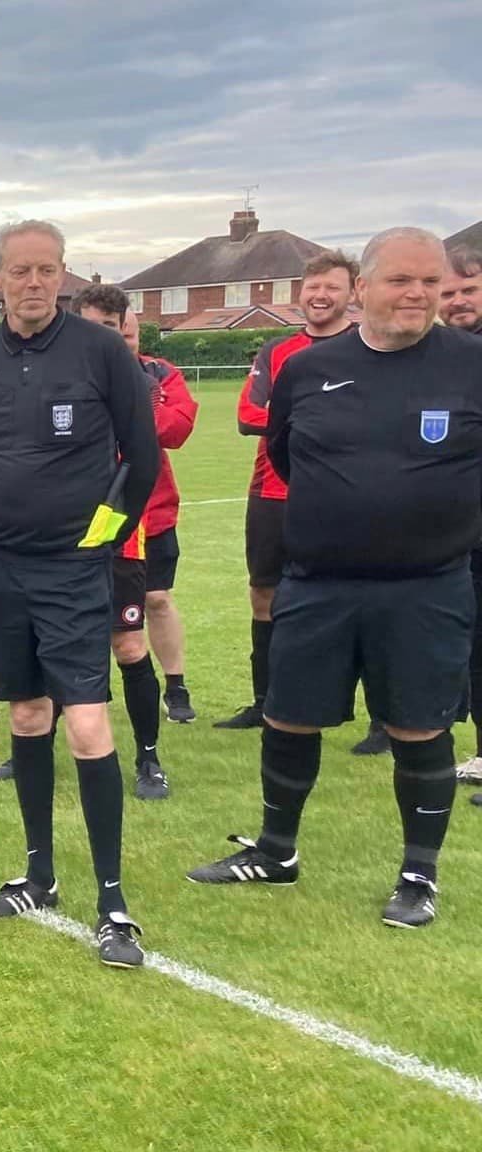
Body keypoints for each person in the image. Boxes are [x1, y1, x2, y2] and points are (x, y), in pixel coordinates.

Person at [188, 228, 479, 926]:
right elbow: (288, 457)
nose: (417, 295)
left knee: (416, 726)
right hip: (317, 580)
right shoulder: (309, 370)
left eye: (430, 284)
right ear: (364, 289)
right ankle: (277, 852)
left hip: (426, 585)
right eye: (401, 282)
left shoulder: (471, 363)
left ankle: (418, 874)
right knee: (289, 715)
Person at [0, 220, 159, 968]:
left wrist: (101, 535)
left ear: (64, 275)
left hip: (75, 570)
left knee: (86, 727)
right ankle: (38, 876)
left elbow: (141, 457)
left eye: (48, 270)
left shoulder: (103, 351)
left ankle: (112, 902)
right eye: (21, 270)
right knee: (28, 713)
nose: (34, 282)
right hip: (3, 564)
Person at [216, 251, 359, 733]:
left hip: (345, 497)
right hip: (273, 493)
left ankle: (374, 716)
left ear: (353, 292)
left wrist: (297, 418)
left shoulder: (365, 347)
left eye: (332, 287)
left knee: (353, 599)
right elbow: (248, 416)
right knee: (264, 595)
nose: (321, 295)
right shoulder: (276, 351)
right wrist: (323, 424)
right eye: (313, 286)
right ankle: (265, 701)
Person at [70, 284, 194, 801]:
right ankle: (32, 743)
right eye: (88, 327)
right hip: (61, 532)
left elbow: (173, 428)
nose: (100, 338)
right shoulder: (57, 374)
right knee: (60, 643)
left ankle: (148, 758)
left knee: (127, 641)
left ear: (125, 328)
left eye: (110, 328)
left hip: (123, 529)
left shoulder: (149, 377)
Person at [123, 309, 200, 726]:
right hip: (87, 513)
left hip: (151, 509)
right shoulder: (74, 371)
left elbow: (177, 429)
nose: (120, 342)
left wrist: (135, 407)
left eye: (128, 334)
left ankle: (175, 686)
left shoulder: (159, 372)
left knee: (157, 598)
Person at [437, 245, 482, 793]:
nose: (457, 302)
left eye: (468, 290)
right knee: (469, 642)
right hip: (457, 525)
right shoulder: (443, 355)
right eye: (448, 293)